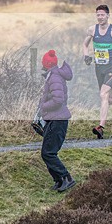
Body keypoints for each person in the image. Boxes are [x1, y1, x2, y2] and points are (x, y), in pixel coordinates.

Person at [82, 5, 112, 139]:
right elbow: (85, 44)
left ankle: (101, 127)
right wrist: (86, 56)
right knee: (108, 98)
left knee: (103, 94)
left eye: (102, 15)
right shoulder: (92, 29)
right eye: (98, 15)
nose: (100, 17)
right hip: (99, 68)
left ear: (108, 15)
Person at [38, 50, 76, 193]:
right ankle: (59, 180)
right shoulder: (53, 76)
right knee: (48, 152)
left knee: (48, 153)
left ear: (46, 64)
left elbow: (58, 100)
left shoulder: (54, 77)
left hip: (58, 121)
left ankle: (67, 178)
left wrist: (43, 107)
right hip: (54, 120)